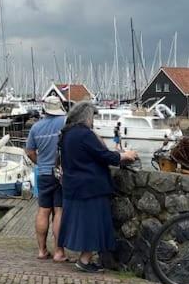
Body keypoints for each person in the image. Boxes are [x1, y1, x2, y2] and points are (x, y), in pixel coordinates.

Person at [56, 100, 137, 274]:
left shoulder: (67, 134)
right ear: (86, 117)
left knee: (81, 224)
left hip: (74, 185)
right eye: (93, 117)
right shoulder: (84, 134)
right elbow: (104, 155)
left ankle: (85, 258)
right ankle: (85, 260)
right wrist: (126, 155)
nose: (93, 121)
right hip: (90, 187)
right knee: (93, 224)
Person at [24, 95, 67, 262]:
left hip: (43, 173)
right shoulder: (65, 123)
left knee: (43, 210)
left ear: (45, 109)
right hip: (60, 173)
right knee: (59, 211)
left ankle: (42, 250)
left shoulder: (36, 127)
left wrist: (40, 162)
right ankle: (58, 252)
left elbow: (29, 152)